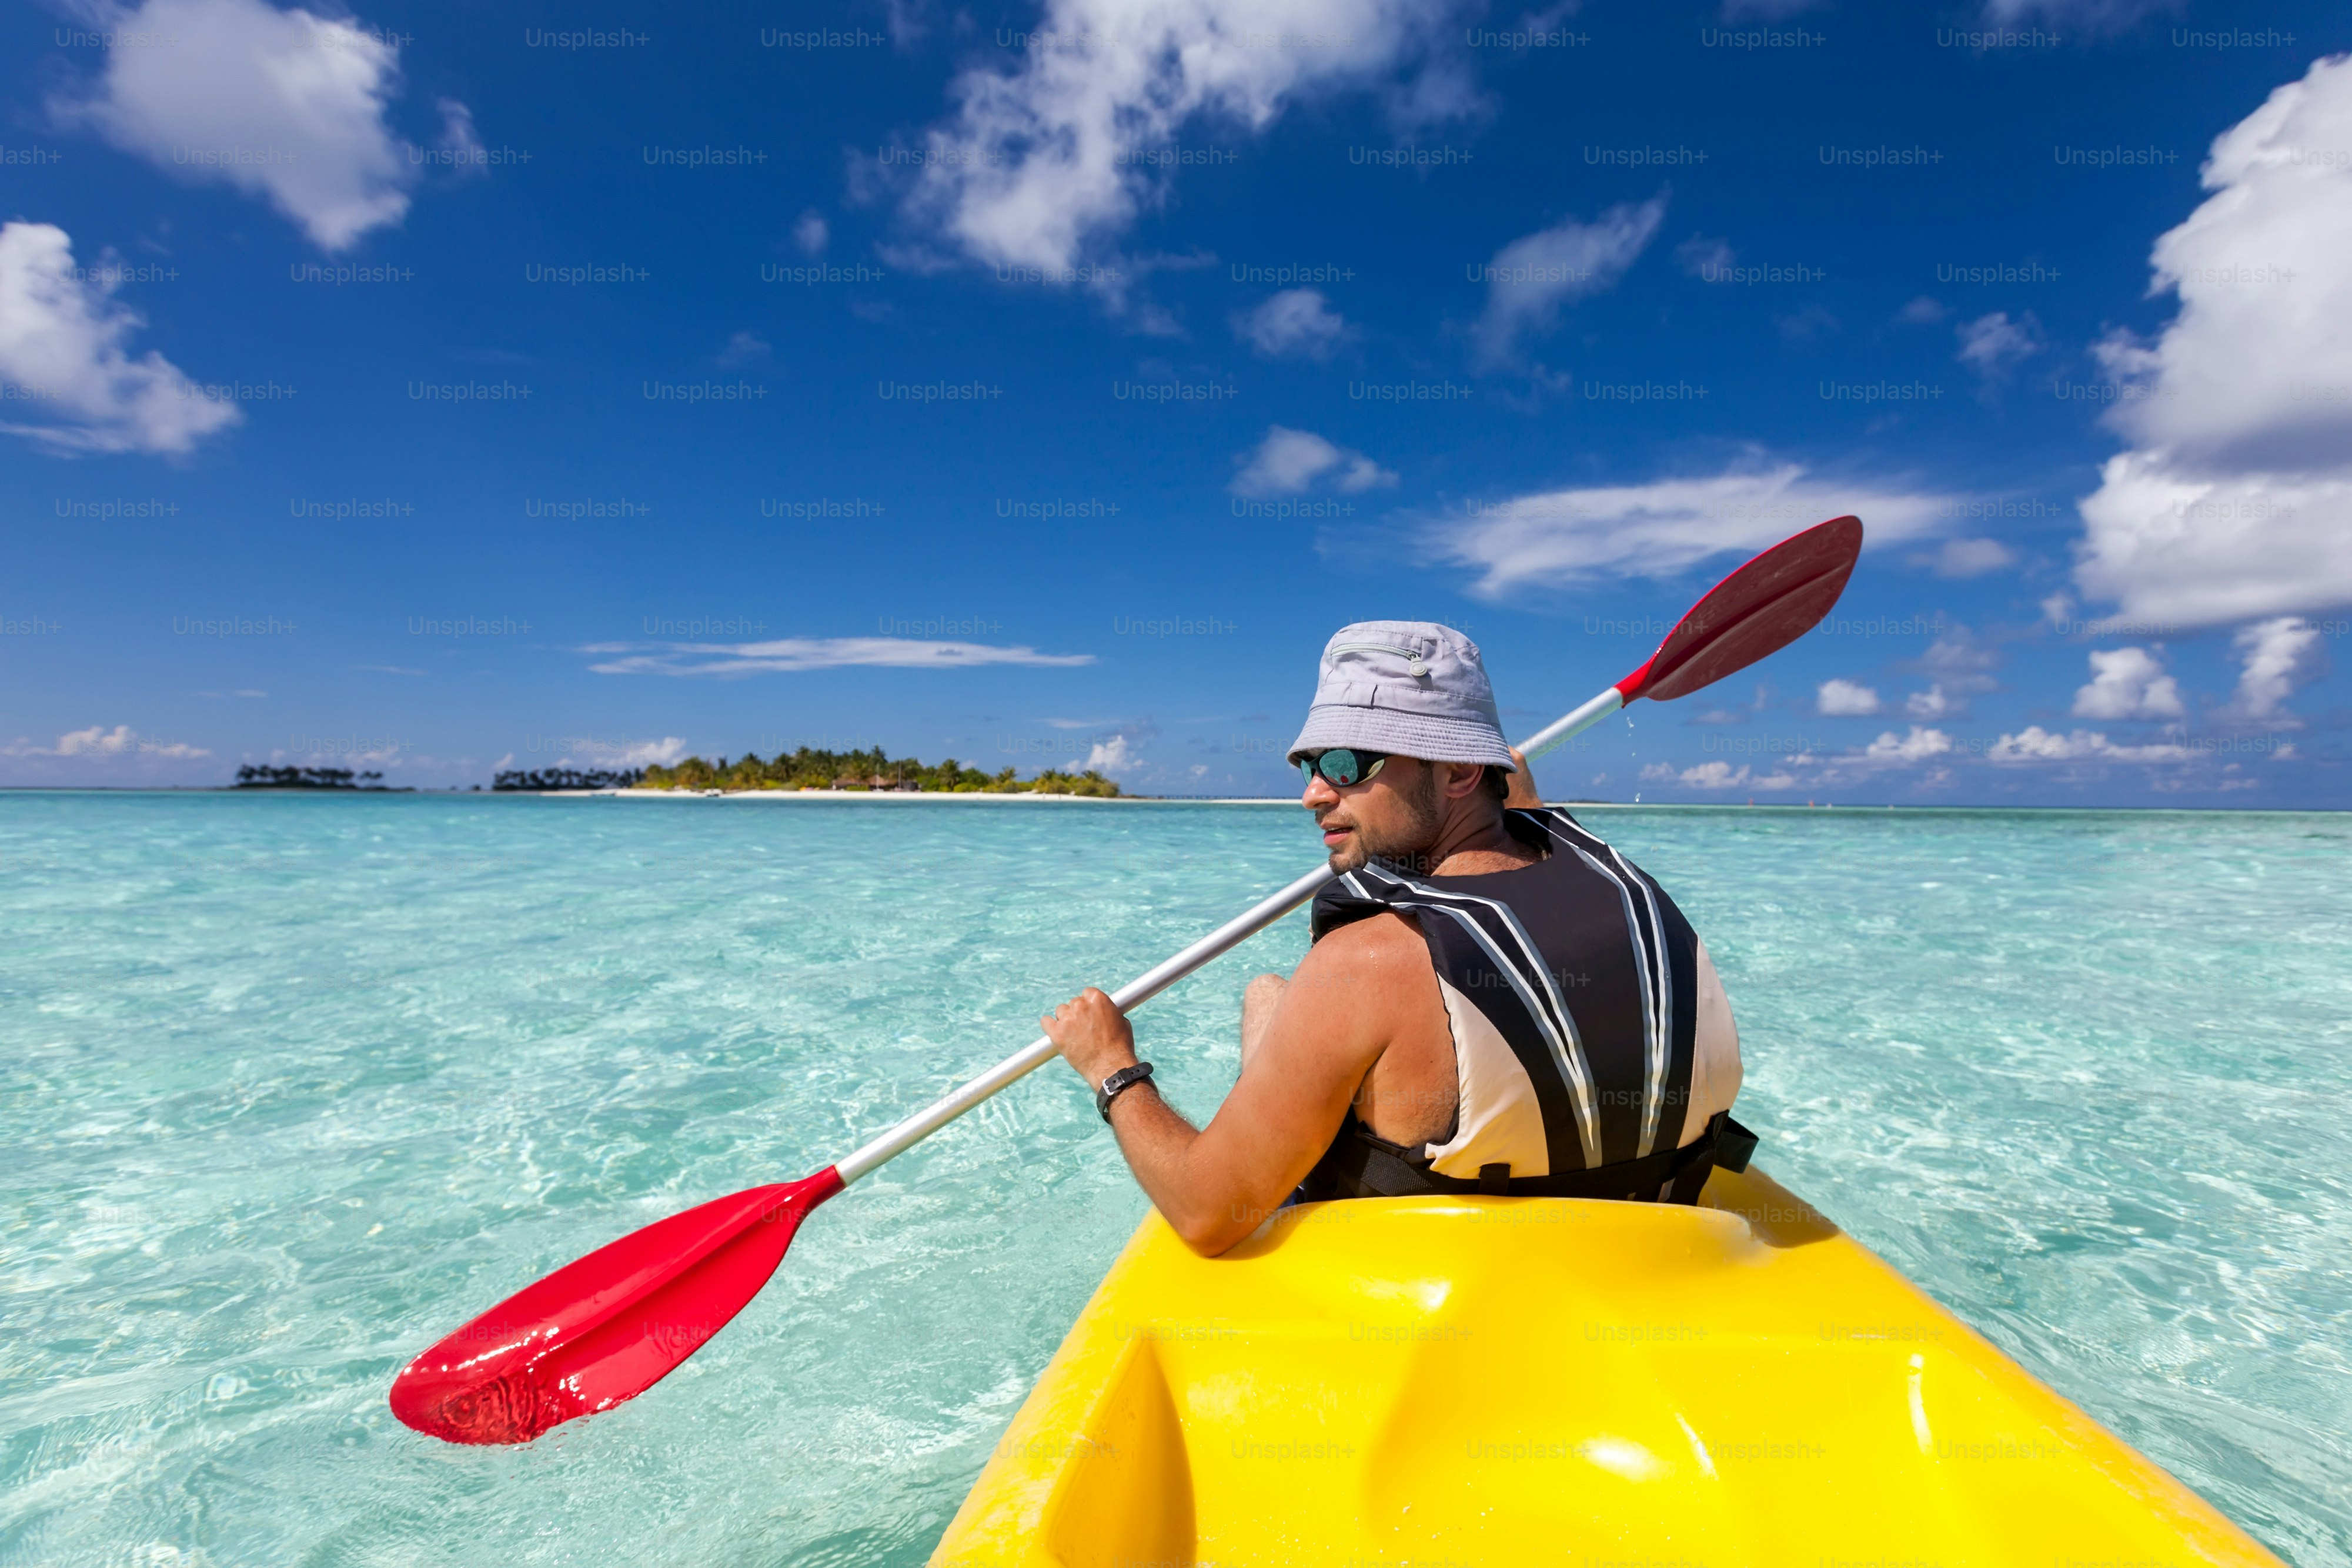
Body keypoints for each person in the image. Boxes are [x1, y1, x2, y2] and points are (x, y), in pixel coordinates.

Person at [1042, 621, 1752, 1256]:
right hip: (1652, 1249)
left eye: (1348, 764)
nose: (1314, 794)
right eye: (1309, 764)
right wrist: (1496, 781)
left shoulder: (1368, 961)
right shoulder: (1623, 882)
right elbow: (1519, 831)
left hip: (1440, 1294)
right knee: (1269, 994)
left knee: (1270, 997)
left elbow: (1204, 1216)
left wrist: (1112, 1067)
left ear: (1459, 772)